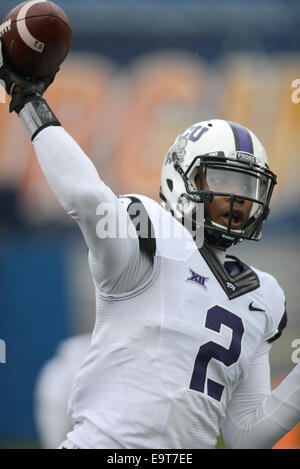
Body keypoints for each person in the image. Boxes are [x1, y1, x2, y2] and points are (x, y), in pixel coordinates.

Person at [0, 43, 299, 450]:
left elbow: (245, 434)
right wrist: (29, 101)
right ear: (181, 179)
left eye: (248, 190)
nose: (237, 201)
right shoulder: (147, 233)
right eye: (224, 184)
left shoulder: (264, 297)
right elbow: (87, 199)